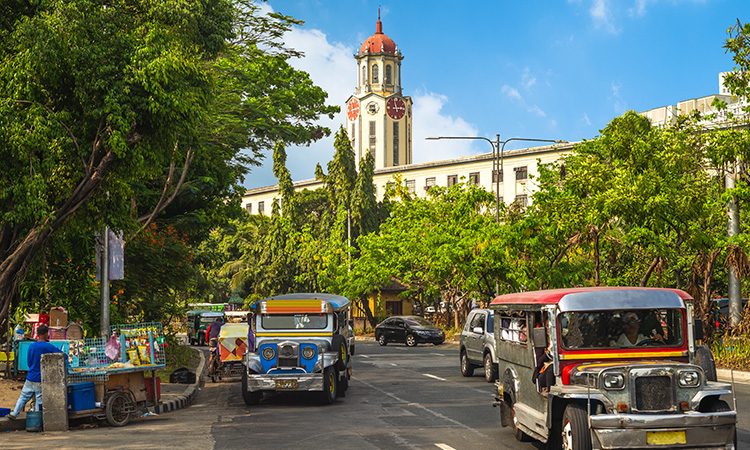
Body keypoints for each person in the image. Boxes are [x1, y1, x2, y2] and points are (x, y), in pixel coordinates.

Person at [8, 324, 64, 420]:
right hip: (41, 378)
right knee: (39, 399)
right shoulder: (49, 346)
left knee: (24, 396)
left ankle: (14, 413)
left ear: (37, 334)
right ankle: (37, 419)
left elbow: (29, 362)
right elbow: (63, 355)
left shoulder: (31, 346)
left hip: (30, 376)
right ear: (46, 334)